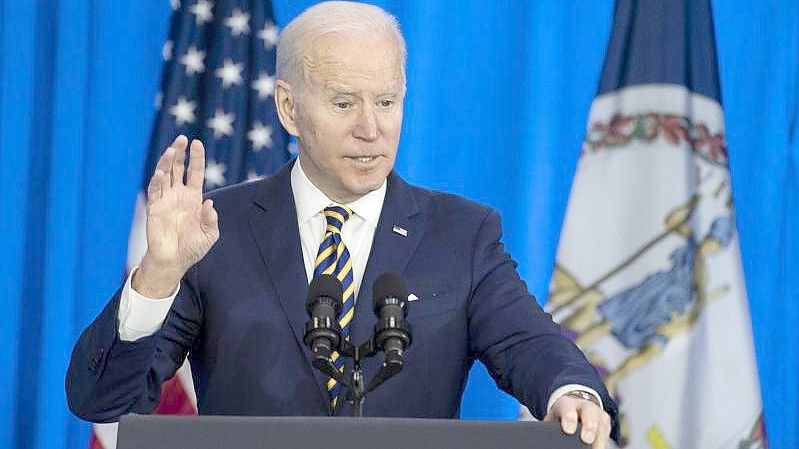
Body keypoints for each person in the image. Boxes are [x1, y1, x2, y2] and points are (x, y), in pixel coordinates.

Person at [66, 2, 617, 448]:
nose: (371, 129)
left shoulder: (462, 233)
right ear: (288, 108)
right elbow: (102, 401)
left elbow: (531, 343)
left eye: (386, 101)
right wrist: (158, 276)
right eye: (343, 103)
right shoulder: (216, 229)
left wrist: (571, 393)